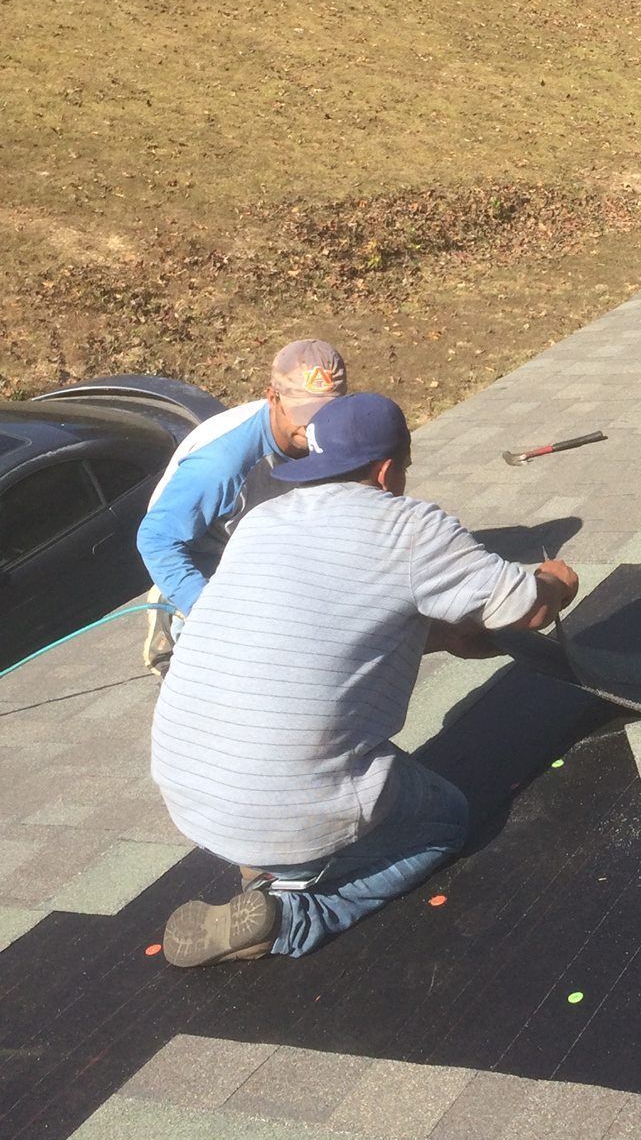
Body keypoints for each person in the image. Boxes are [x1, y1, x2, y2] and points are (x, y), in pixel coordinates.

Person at [151, 392, 579, 967]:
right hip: (279, 803)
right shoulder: (408, 528)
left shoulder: (262, 522)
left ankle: (278, 858)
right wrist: (555, 581)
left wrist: (446, 638)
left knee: (305, 768)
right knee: (442, 819)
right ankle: (293, 915)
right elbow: (523, 610)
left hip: (192, 789)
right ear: (386, 470)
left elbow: (326, 629)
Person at [136, 338, 347, 670]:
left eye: (325, 414)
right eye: (303, 414)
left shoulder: (333, 433)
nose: (313, 427)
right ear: (272, 398)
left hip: (265, 547)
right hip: (206, 560)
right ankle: (175, 636)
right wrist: (208, 611)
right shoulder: (221, 464)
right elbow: (157, 539)